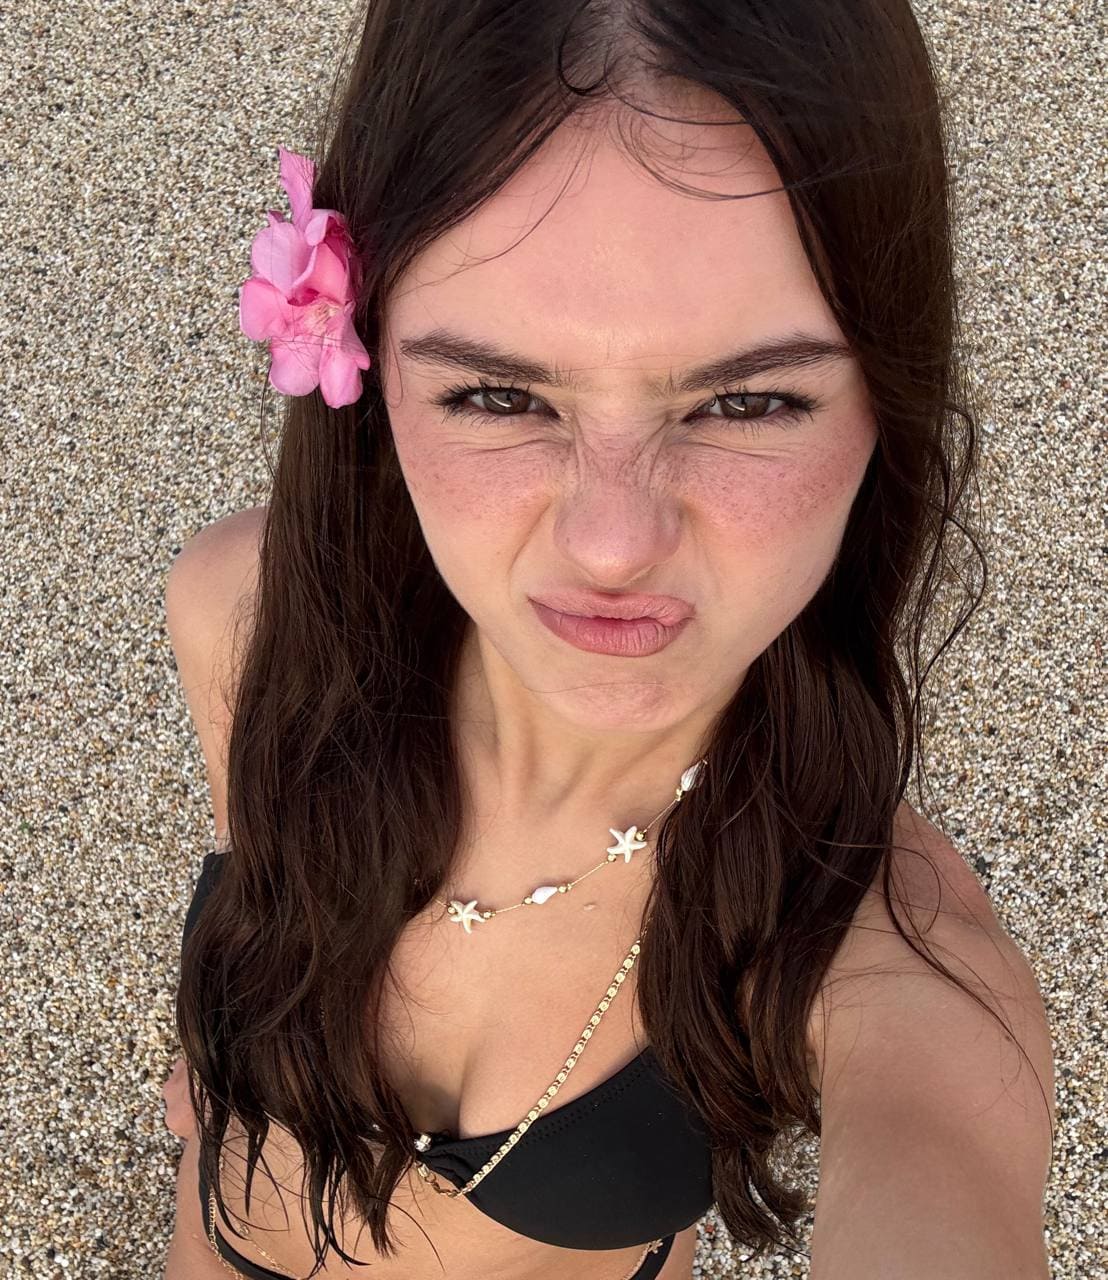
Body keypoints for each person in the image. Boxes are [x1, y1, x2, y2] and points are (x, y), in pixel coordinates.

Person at [160, 2, 1056, 1277]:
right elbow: (268, 878)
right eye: (498, 393)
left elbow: (944, 1159)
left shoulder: (875, 946)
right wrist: (226, 1068)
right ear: (369, 369)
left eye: (749, 401)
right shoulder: (241, 616)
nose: (613, 543)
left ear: (885, 401)